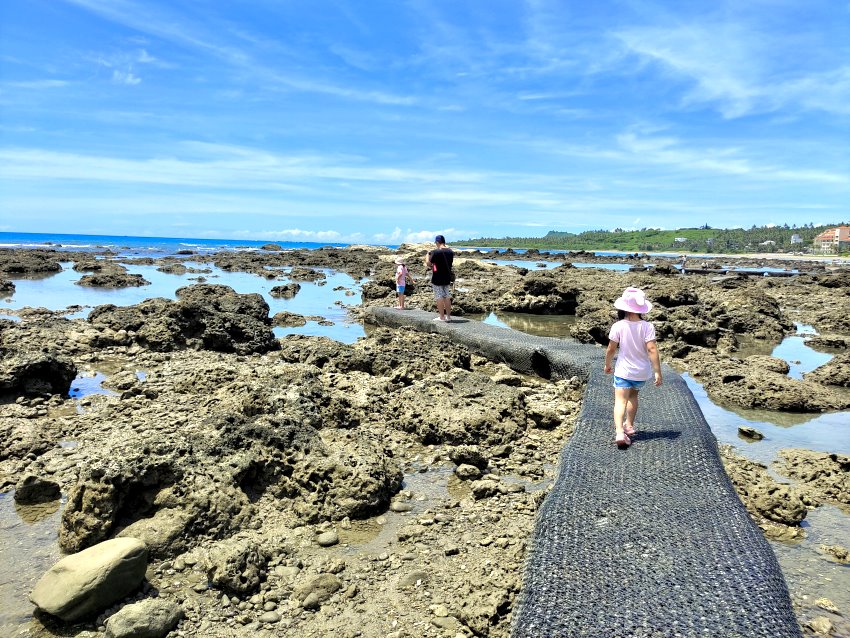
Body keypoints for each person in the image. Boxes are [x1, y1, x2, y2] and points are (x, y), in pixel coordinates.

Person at [603, 287, 663, 448]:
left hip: (623, 371)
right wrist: (657, 371)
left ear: (623, 307)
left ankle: (619, 432)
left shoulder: (618, 326)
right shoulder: (647, 326)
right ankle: (629, 426)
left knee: (620, 401)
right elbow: (652, 349)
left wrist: (608, 364)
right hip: (641, 372)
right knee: (633, 397)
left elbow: (611, 348)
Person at [425, 234, 454, 322]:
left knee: (439, 297)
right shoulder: (450, 252)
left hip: (437, 277)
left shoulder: (435, 252)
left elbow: (429, 263)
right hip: (447, 277)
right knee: (447, 296)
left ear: (437, 242)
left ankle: (442, 317)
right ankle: (448, 316)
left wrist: (427, 255)